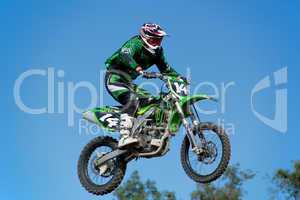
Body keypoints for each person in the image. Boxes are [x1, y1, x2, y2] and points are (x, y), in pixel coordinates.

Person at [105, 23, 182, 148]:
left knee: (153, 101)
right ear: (147, 37)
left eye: (160, 39)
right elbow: (125, 55)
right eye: (155, 39)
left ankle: (147, 134)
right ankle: (125, 136)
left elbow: (166, 69)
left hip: (129, 83)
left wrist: (180, 78)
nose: (158, 42)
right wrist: (138, 69)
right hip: (114, 78)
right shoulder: (136, 43)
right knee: (132, 100)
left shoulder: (158, 52)